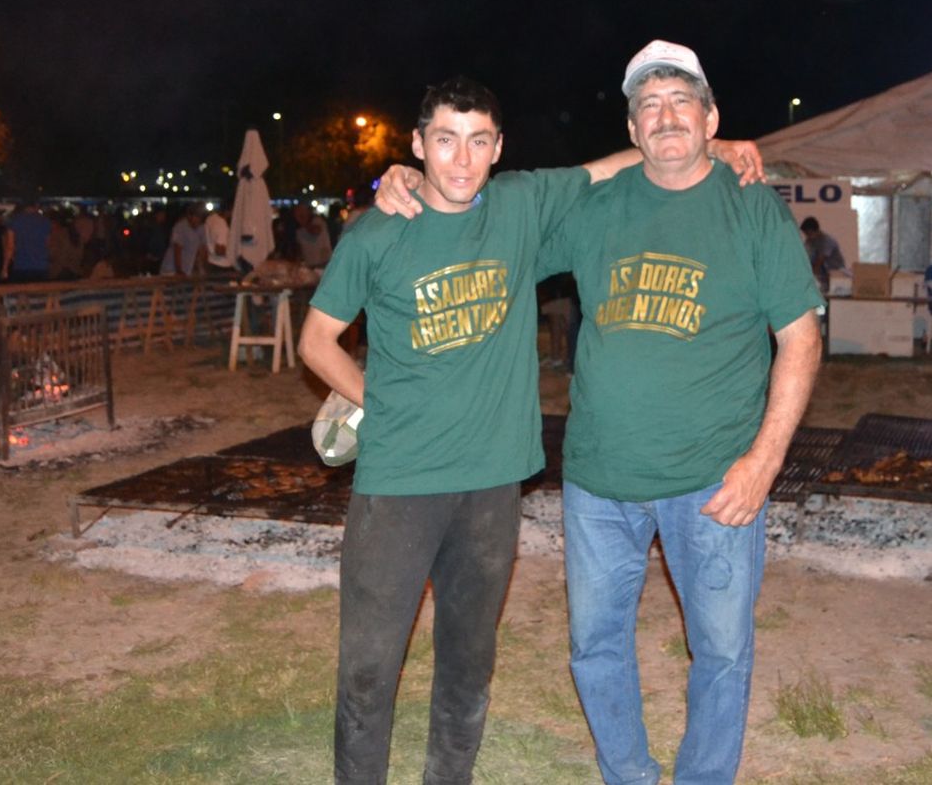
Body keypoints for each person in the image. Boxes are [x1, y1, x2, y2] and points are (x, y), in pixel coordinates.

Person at [304, 75, 763, 784]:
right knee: (369, 666)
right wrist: (382, 405)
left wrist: (711, 141)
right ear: (419, 145)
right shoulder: (377, 232)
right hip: (397, 484)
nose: (461, 159)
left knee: (469, 662)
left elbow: (608, 166)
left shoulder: (518, 206)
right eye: (446, 140)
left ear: (498, 149)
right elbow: (316, 341)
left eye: (478, 141)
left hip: (492, 485)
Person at [538, 40, 823, 784]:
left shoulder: (752, 208)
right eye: (649, 108)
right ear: (631, 131)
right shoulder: (594, 209)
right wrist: (404, 182)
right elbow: (490, 225)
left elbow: (800, 339)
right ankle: (626, 774)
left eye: (681, 103)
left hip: (715, 481)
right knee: (595, 644)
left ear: (711, 117)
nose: (666, 118)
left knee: (722, 650)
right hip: (601, 480)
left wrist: (764, 462)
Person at [1, 198, 52, 283]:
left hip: (21, 265)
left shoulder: (14, 221)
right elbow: (48, 244)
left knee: (21, 293)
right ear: (36, 206)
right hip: (41, 265)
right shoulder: (45, 222)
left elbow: (10, 246)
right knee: (39, 294)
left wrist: (5, 268)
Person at [799, 216, 846, 293]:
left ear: (815, 230)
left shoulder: (827, 241)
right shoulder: (810, 242)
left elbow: (820, 260)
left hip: (835, 275)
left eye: (808, 233)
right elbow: (805, 258)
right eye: (806, 234)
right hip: (823, 277)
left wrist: (811, 277)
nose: (807, 236)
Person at [159, 205, 205, 276]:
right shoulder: (180, 227)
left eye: (200, 217)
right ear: (189, 216)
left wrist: (201, 270)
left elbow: (200, 251)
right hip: (171, 270)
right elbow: (177, 250)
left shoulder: (201, 228)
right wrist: (179, 270)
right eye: (197, 216)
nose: (198, 219)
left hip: (187, 270)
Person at [293, 203, 333, 268]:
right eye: (297, 213)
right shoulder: (299, 231)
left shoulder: (318, 221)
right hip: (310, 265)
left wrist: (303, 222)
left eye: (302, 212)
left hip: (323, 263)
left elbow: (316, 231)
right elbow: (300, 249)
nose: (300, 215)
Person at [203, 201, 234, 274]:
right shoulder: (221, 225)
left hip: (211, 262)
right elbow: (219, 250)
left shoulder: (210, 219)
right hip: (222, 266)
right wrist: (234, 252)